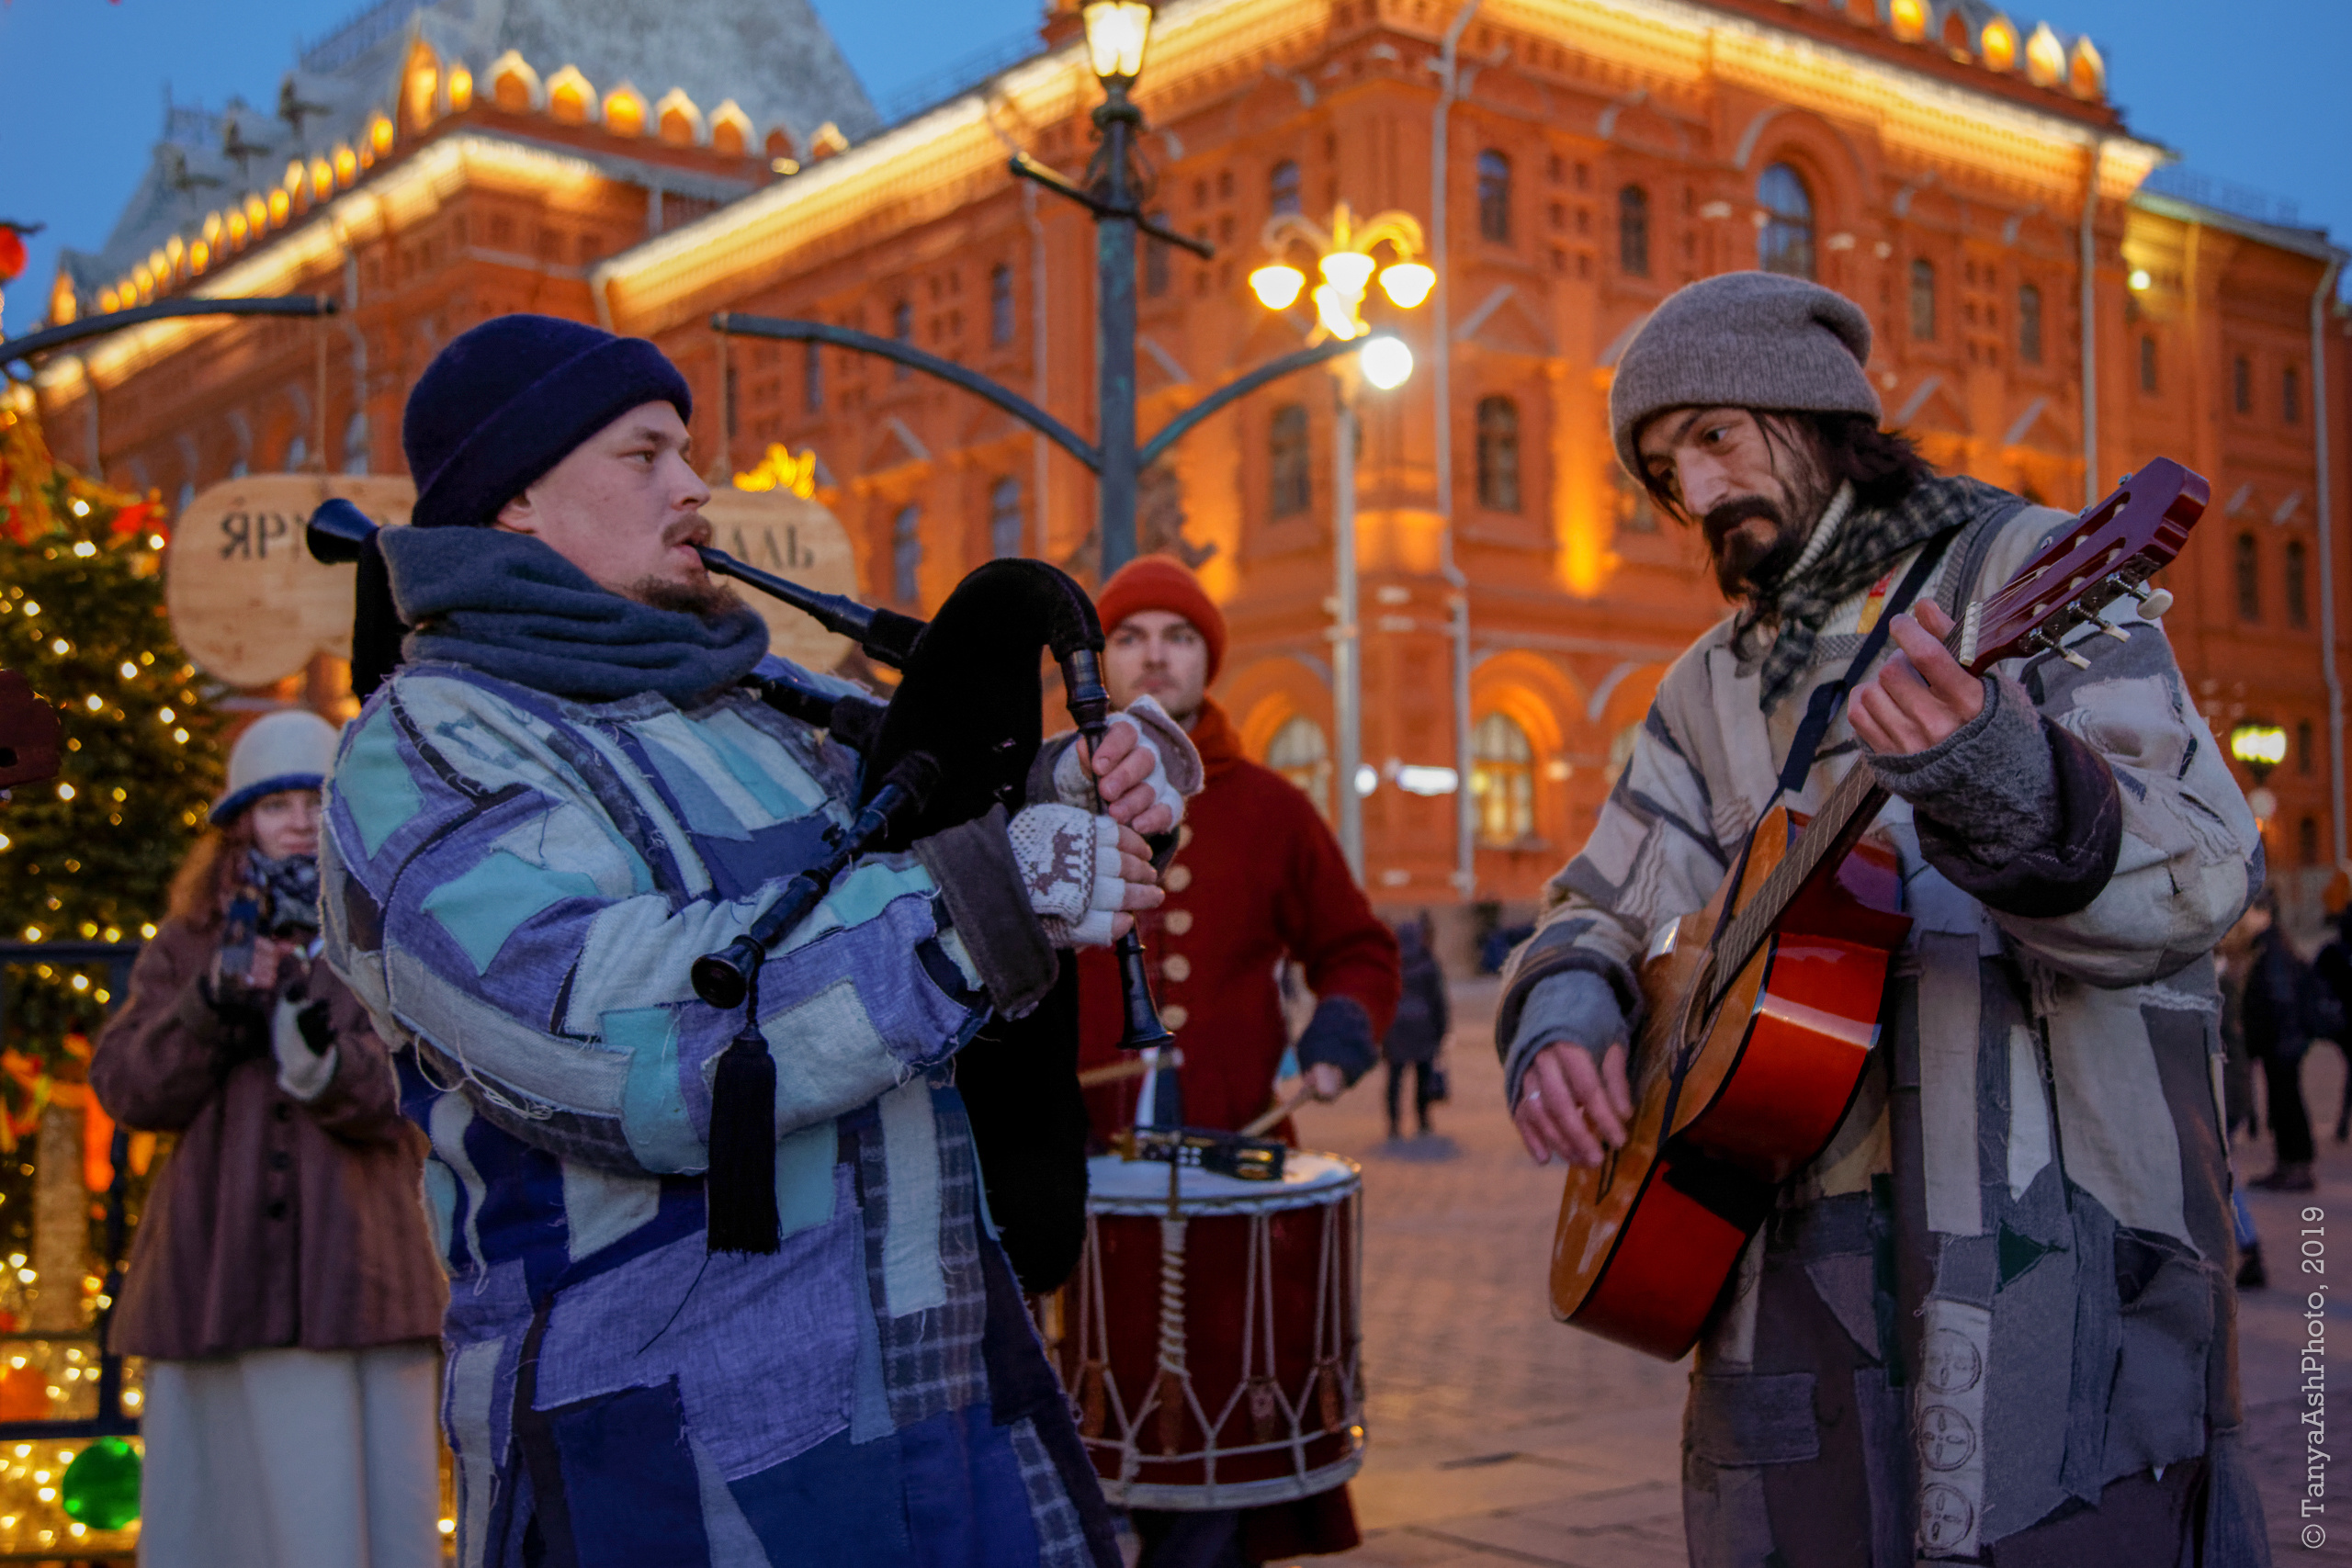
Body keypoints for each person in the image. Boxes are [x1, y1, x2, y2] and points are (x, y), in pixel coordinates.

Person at [318, 314, 1184, 1567]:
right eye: (646, 453)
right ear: (515, 494)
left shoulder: (754, 701)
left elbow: (925, 830)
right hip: (681, 1457)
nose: (694, 486)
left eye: (688, 450)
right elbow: (620, 1045)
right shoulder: (426, 749)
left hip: (942, 1386)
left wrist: (1074, 787)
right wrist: (988, 899)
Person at [1498, 273, 2268, 1564]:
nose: (1693, 495)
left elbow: (2202, 872)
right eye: (1662, 469)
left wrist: (2000, 772)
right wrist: (1569, 1013)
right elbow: (1601, 895)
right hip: (1783, 1273)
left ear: (1815, 415)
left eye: (1715, 437)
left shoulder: (2027, 567)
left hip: (2050, 1245)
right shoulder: (1708, 682)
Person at [1065, 556, 1400, 1566]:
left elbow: (1355, 946)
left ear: (1207, 660)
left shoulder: (1267, 804)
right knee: (1084, 1410)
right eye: (1129, 637)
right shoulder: (1046, 796)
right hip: (1074, 1164)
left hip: (1231, 1163)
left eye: (1176, 636)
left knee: (1213, 1430)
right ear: (1100, 662)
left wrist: (1336, 1040)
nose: (1153, 654)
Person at [91, 709, 447, 1568]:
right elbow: (131, 1085)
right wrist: (210, 1003)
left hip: (355, 1262)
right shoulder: (188, 943)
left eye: (311, 798)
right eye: (272, 801)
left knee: (358, 1505)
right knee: (221, 1513)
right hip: (219, 1265)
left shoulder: (386, 928)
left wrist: (324, 1057)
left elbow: (421, 1084)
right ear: (238, 820)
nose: (293, 818)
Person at [2239, 896, 2315, 1192]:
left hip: (2281, 1042)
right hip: (2282, 1041)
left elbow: (2278, 999)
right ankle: (2290, 1164)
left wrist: (2266, 1037)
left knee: (2287, 1103)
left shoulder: (2270, 949)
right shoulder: (2270, 945)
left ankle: (2296, 1165)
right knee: (2284, 1103)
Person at [1382, 915, 1450, 1140]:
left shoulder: (1390, 962)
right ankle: (1423, 1120)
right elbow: (1438, 999)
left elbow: (1383, 997)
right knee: (1423, 1076)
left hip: (1396, 1029)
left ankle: (1393, 1123)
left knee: (1395, 1078)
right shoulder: (1427, 962)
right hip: (1423, 1028)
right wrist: (1442, 1029)